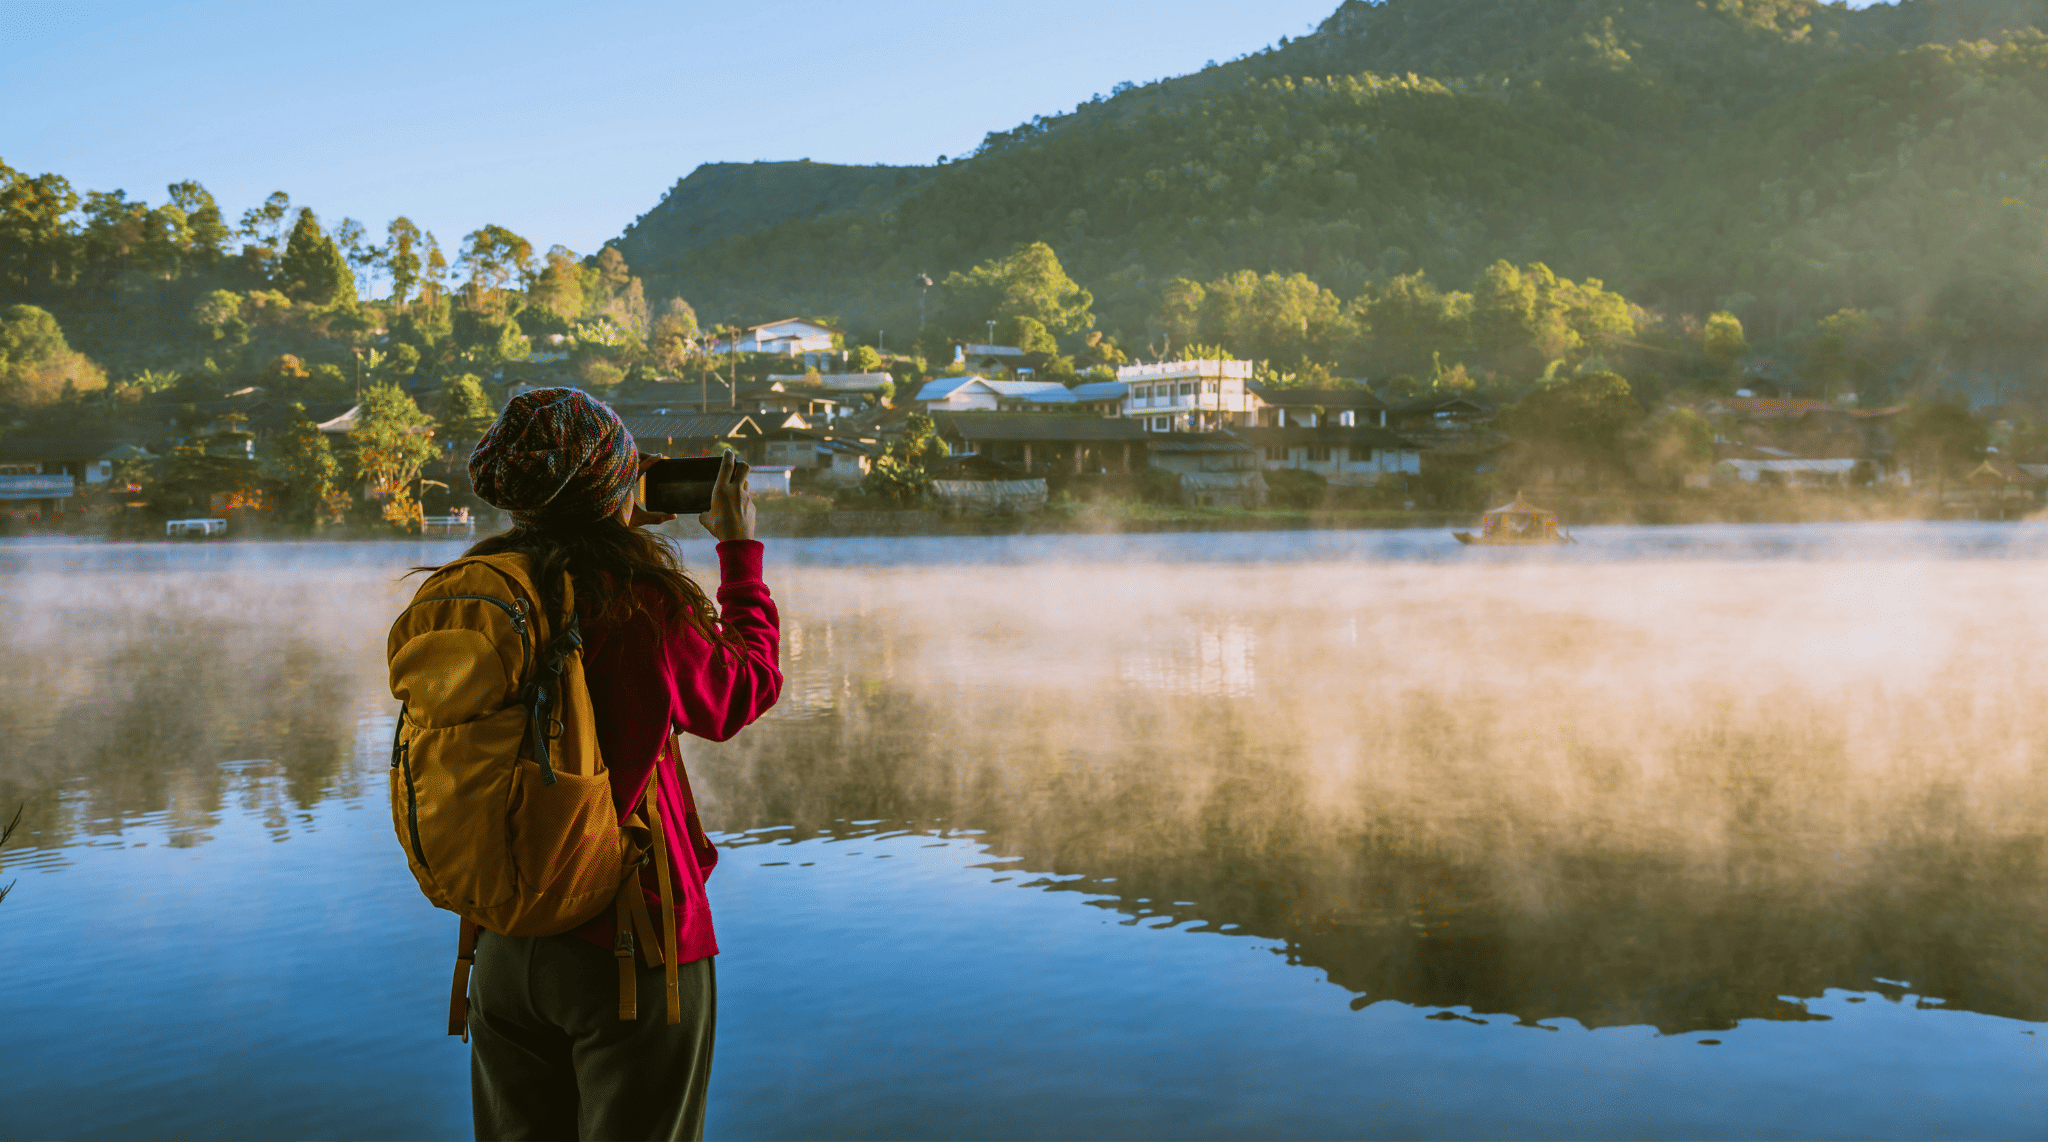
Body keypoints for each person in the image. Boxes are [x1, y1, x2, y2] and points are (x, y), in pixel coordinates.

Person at [459, 387, 782, 1141]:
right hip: (627, 944)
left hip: (502, 940)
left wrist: (605, 516)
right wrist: (738, 554)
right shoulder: (635, 600)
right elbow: (741, 690)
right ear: (612, 486)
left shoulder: (483, 593)